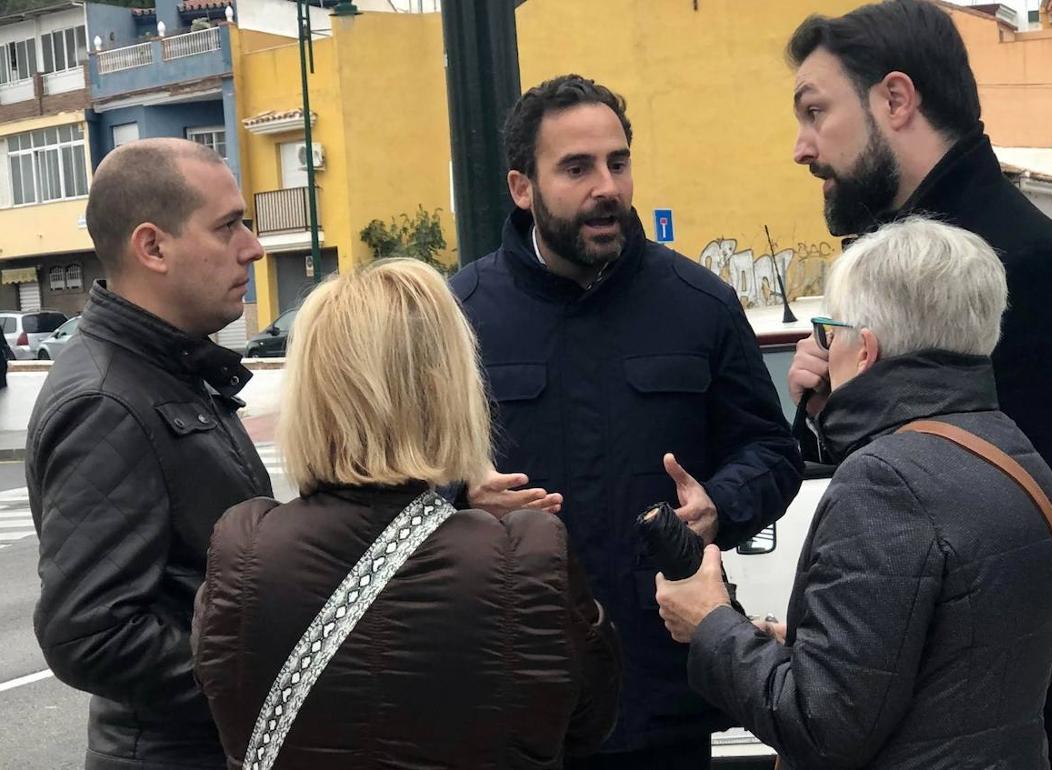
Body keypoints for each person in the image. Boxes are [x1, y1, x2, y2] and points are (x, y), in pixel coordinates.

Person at [780, 4, 1052, 766]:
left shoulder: (1024, 268)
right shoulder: (907, 267)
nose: (801, 147)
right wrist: (837, 408)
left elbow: (1003, 537)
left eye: (815, 111)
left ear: (896, 100)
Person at [449, 74, 803, 767]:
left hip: (662, 697)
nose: (606, 187)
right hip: (515, 699)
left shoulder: (698, 303)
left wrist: (719, 504)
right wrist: (460, 499)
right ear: (522, 187)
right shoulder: (459, 317)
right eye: (576, 168)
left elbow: (772, 449)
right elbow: (396, 480)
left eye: (618, 163)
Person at [657, 216, 1052, 768]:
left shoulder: (885, 482)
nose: (819, 348)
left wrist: (710, 622)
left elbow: (821, 726)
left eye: (829, 331)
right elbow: (956, 664)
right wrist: (799, 651)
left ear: (865, 352)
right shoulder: (1009, 448)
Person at [192, 259, 622, 769]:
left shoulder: (243, 550)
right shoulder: (526, 557)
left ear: (310, 393)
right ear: (447, 387)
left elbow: (221, 706)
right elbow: (588, 721)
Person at [26, 138, 272, 769]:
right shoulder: (106, 401)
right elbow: (90, 633)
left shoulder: (168, 368)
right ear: (152, 248)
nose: (253, 247)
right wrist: (263, 680)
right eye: (227, 226)